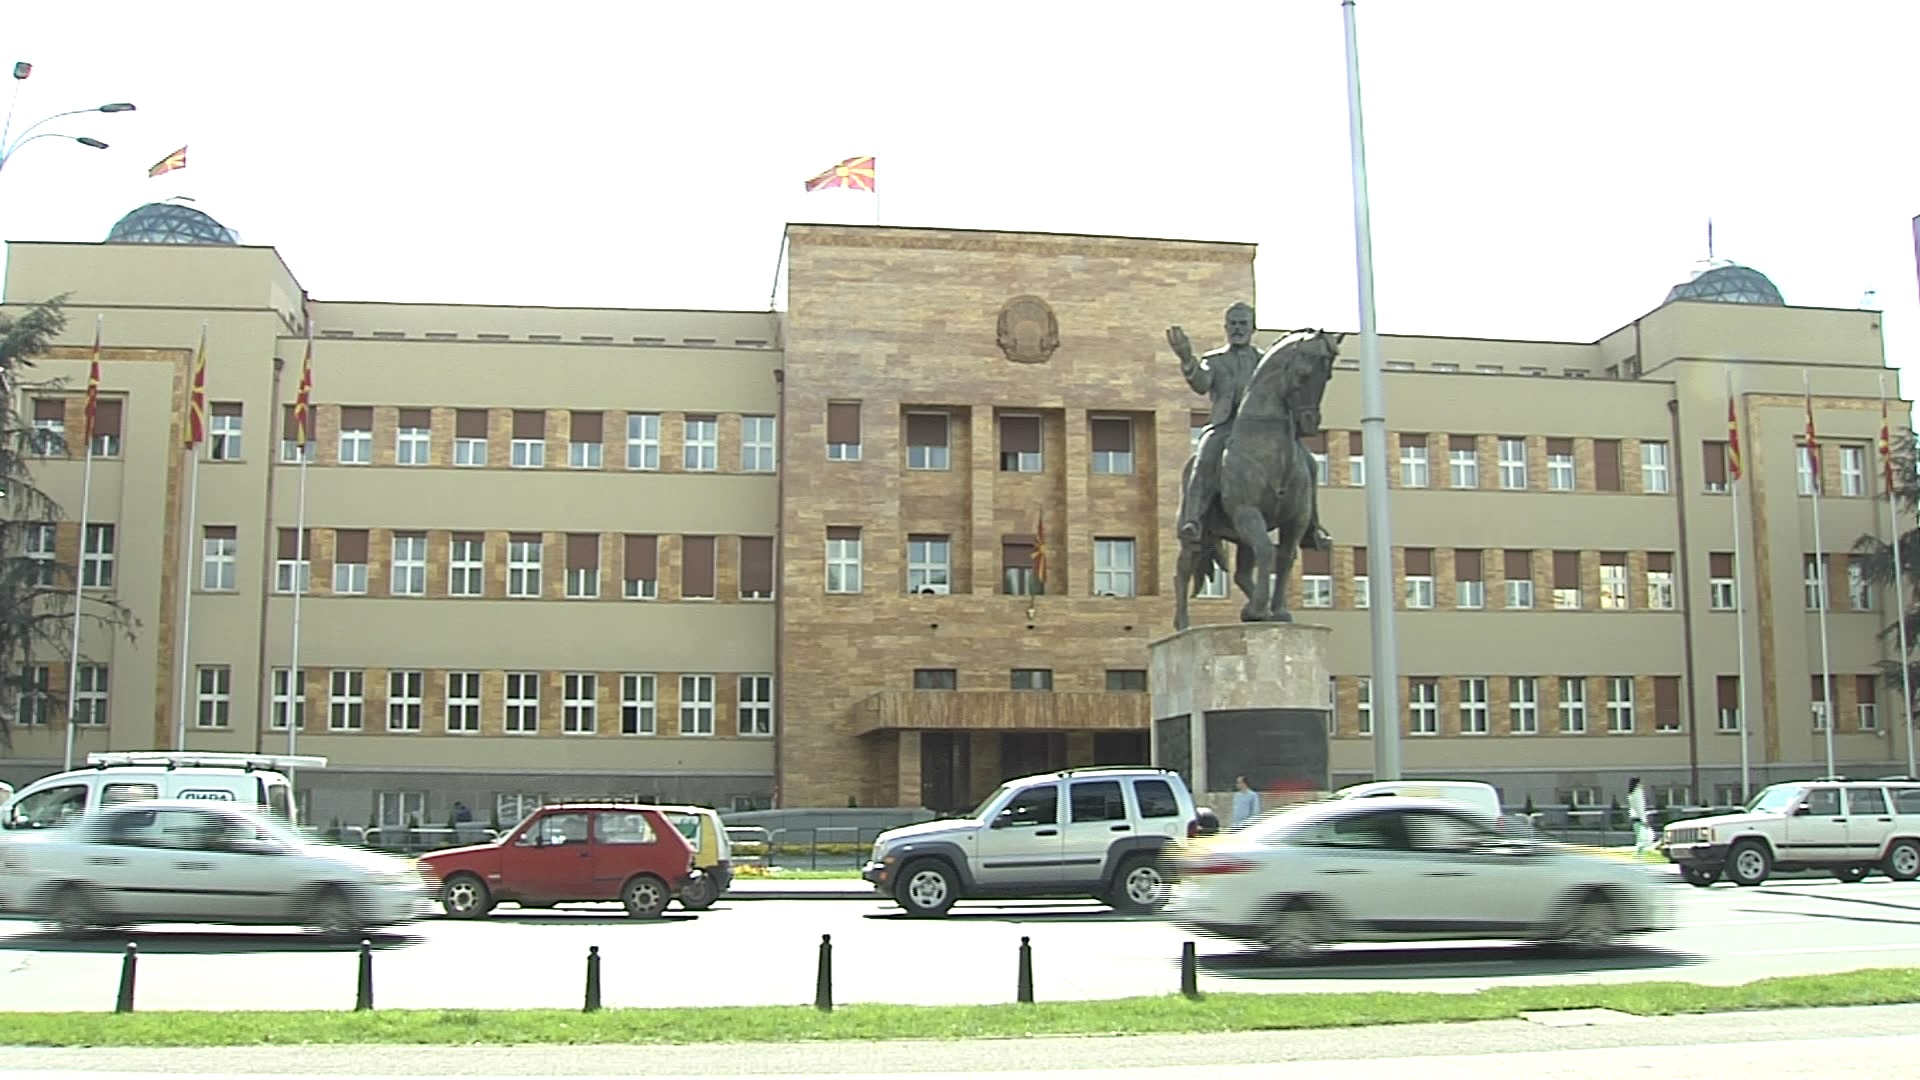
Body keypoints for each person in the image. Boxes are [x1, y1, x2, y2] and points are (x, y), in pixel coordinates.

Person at [1171, 302, 1330, 551]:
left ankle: (1312, 526)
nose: (1238, 328)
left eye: (1243, 323)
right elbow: (1201, 384)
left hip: (1264, 430)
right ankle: (1193, 519)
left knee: (1308, 462)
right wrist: (1186, 359)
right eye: (1233, 324)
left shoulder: (1264, 360)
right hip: (1226, 426)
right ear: (1226, 328)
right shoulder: (1215, 360)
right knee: (1204, 456)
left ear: (1252, 327)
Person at [1627, 776, 1652, 855]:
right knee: (1644, 840)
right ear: (1637, 783)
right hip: (1639, 819)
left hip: (1635, 819)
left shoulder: (1631, 794)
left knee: (1640, 839)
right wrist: (1644, 821)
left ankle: (1639, 855)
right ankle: (1639, 855)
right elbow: (1640, 808)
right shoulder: (1638, 793)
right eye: (1640, 782)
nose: (1642, 784)